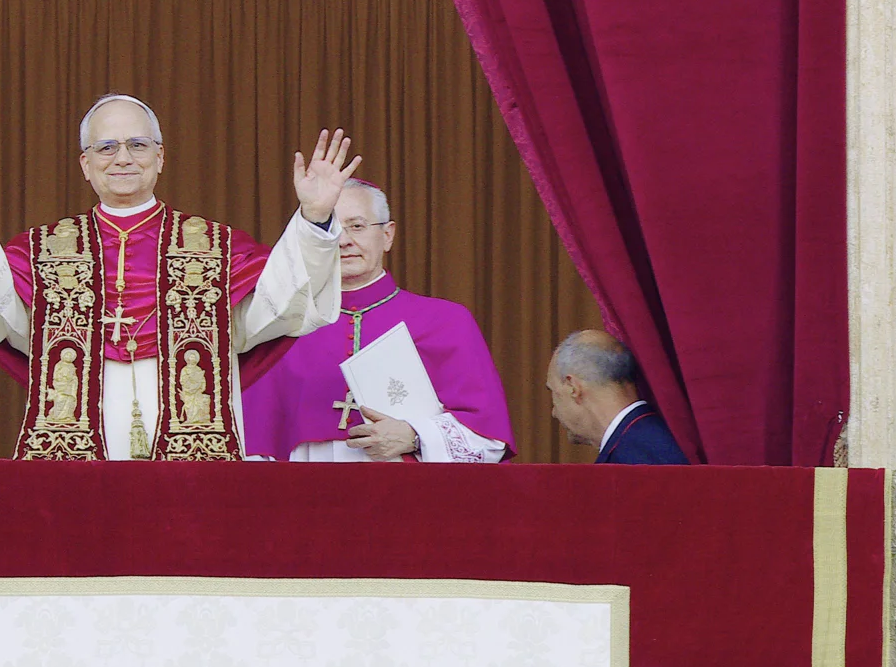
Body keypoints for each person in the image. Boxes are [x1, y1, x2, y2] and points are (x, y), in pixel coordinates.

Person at [0, 95, 357, 461]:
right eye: (106, 147)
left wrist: (315, 218)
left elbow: (280, 306)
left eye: (138, 144)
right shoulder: (44, 251)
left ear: (161, 157)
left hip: (193, 442)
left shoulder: (214, 247)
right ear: (85, 164)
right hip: (79, 444)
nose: (124, 157)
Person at [242, 180, 515, 462]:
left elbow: (487, 439)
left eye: (357, 226)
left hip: (410, 497)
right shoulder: (282, 327)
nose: (344, 240)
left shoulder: (446, 321)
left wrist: (414, 435)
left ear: (387, 235)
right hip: (305, 497)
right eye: (331, 229)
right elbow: (252, 442)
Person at [545, 329, 689, 464]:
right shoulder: (663, 437)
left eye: (554, 393)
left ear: (573, 388)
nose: (554, 413)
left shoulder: (632, 459)